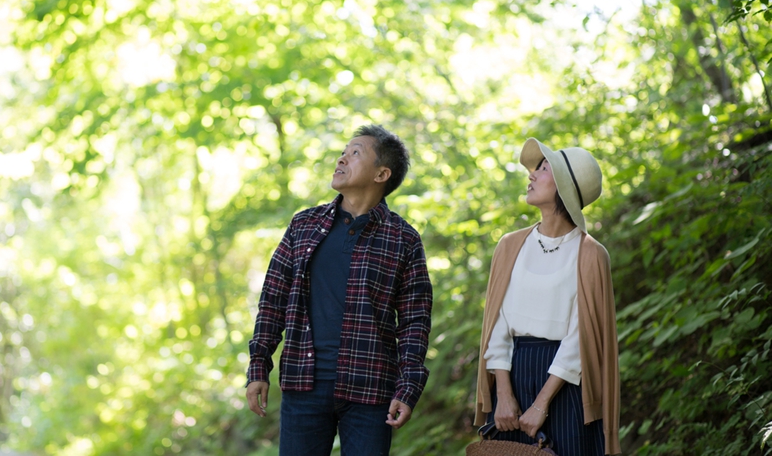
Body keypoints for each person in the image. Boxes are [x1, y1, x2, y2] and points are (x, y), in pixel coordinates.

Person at [246, 124, 433, 456]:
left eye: (355, 152)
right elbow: (273, 298)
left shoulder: (403, 239)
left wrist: (408, 388)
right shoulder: (303, 225)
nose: (342, 157)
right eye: (344, 151)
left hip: (370, 391)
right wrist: (259, 364)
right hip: (303, 385)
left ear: (382, 174)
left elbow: (415, 322)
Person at [474, 137, 621, 455]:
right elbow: (497, 323)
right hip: (511, 370)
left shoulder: (590, 254)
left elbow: (581, 337)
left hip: (567, 384)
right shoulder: (510, 245)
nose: (531, 175)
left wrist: (542, 403)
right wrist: (503, 392)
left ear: (565, 187)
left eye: (543, 168)